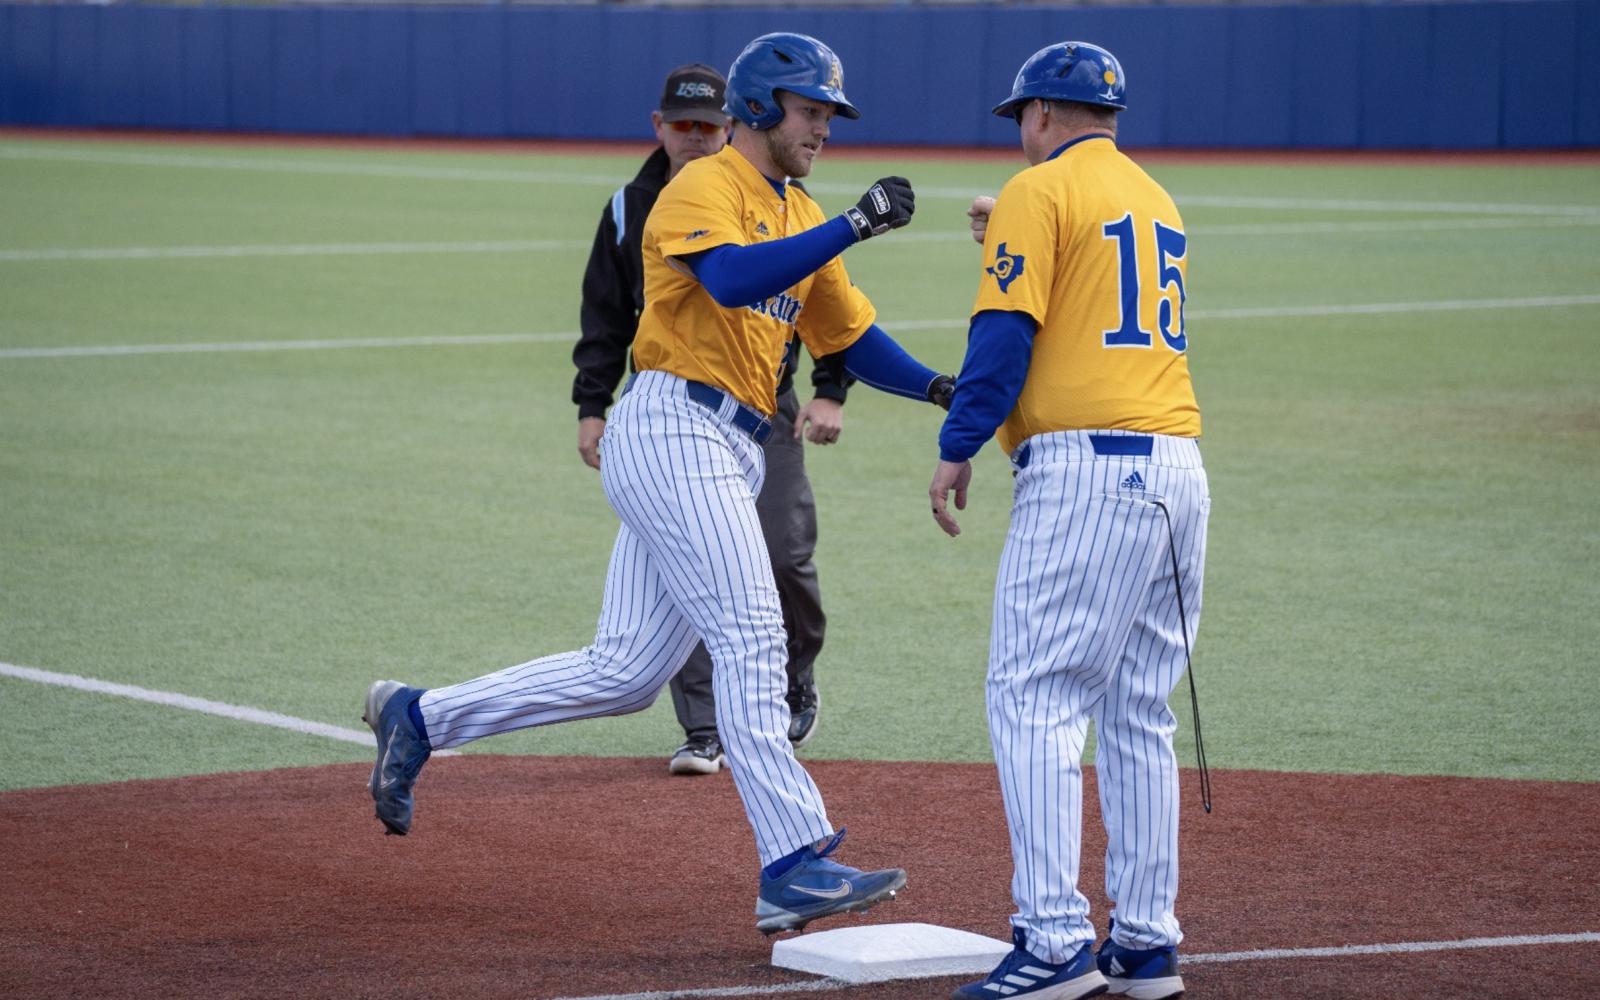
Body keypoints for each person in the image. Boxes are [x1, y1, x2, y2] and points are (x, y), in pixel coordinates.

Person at [365, 32, 955, 936]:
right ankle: (794, 861)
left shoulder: (799, 209)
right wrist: (854, 224)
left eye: (830, 114)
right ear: (758, 107)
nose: (824, 129)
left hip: (728, 445)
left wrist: (941, 388)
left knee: (625, 671)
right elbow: (731, 278)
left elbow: (848, 338)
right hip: (674, 427)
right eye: (810, 110)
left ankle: (421, 717)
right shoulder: (702, 186)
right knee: (753, 633)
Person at [932, 42, 1206, 1000]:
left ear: (1043, 113)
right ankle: (1146, 942)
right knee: (1137, 710)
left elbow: (1004, 333)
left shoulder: (1036, 190)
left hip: (1087, 474)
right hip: (1178, 469)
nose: (1020, 131)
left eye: (1021, 116)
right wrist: (1006, 230)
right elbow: (1086, 293)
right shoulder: (1155, 197)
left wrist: (959, 442)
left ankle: (1052, 942)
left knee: (1035, 697)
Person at [572, 63, 847, 777]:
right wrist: (591, 405)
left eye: (707, 124)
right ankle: (705, 726)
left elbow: (830, 316)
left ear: (731, 125)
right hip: (676, 412)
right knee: (701, 577)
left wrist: (834, 389)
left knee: (782, 556)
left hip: (767, 408)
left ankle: (794, 675)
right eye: (682, 124)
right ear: (659, 126)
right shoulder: (637, 205)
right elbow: (607, 314)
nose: (694, 136)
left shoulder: (786, 203)